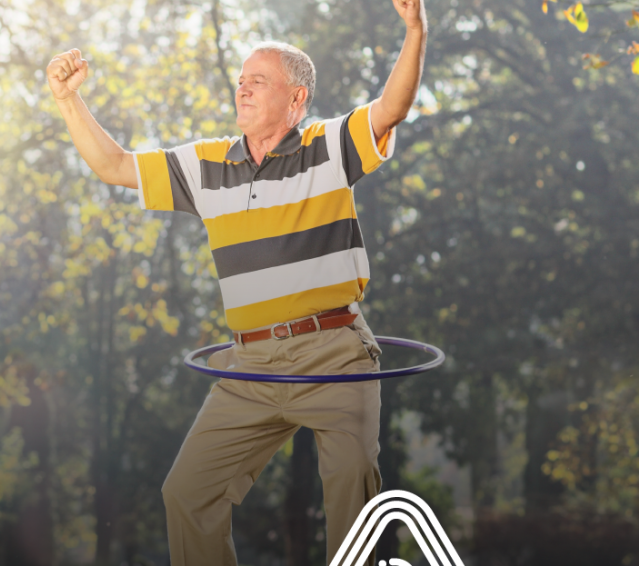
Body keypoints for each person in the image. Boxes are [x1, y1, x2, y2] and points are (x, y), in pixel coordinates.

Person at [46, 0, 426, 564]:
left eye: (259, 81)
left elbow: (392, 108)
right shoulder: (204, 166)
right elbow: (115, 166)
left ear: (296, 99)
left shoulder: (328, 146)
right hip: (249, 365)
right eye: (241, 80)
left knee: (353, 506)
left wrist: (415, 29)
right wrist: (67, 99)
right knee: (187, 494)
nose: (242, 89)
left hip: (333, 354)